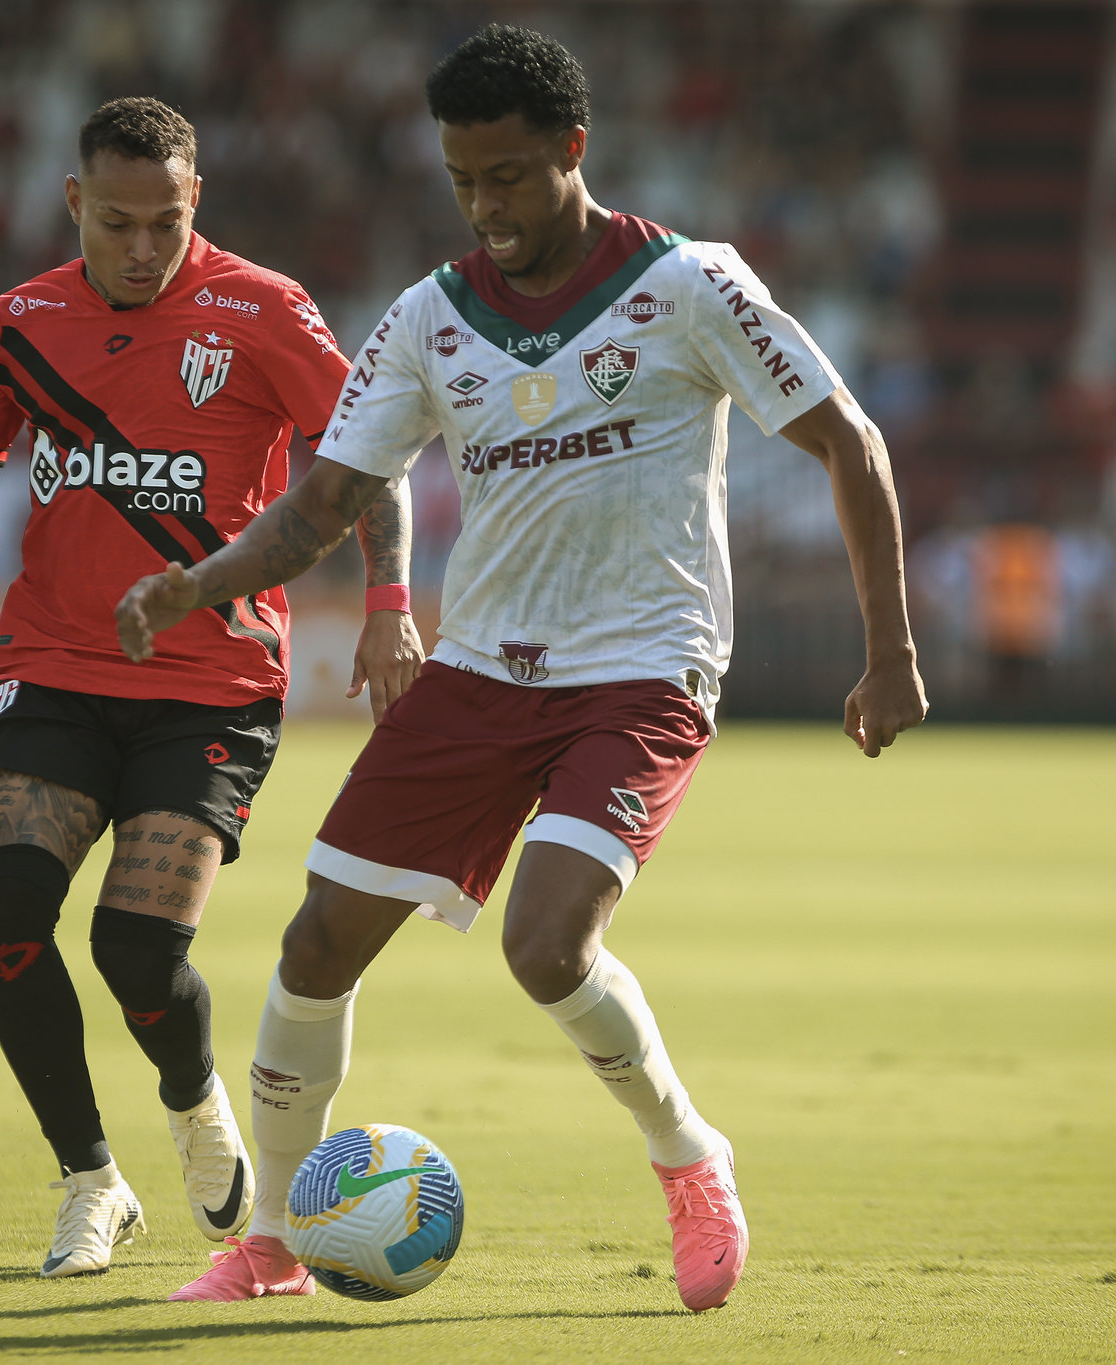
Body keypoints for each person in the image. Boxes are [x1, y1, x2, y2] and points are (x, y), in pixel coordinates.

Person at [118, 27, 927, 1311]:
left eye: (507, 176)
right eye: (462, 180)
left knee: (546, 946)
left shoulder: (688, 284)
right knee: (315, 944)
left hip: (644, 670)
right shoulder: (428, 319)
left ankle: (689, 1157)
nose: (485, 207)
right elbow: (326, 498)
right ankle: (270, 1243)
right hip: (484, 672)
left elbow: (852, 443)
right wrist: (200, 582)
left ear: (571, 151)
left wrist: (889, 654)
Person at [0, 97, 422, 1279]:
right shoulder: (18, 324)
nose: (141, 247)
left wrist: (388, 604)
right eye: (117, 222)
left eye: (165, 223)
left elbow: (365, 461)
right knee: (9, 914)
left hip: (209, 682)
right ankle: (90, 1180)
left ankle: (192, 1104)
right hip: (52, 668)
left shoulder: (263, 311)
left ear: (197, 204)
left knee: (136, 955)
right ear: (75, 202)